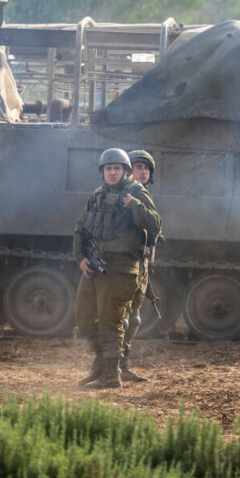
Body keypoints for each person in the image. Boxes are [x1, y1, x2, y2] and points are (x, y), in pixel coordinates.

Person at [74, 148, 162, 389]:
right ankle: (102, 364)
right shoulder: (97, 194)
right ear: (102, 172)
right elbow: (81, 228)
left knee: (113, 321)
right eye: (108, 169)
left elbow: (156, 223)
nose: (112, 172)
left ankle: (112, 375)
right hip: (95, 265)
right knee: (84, 317)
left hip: (122, 266)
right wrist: (80, 256)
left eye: (117, 168)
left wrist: (134, 206)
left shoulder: (136, 192)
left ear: (124, 171)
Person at [119, 149, 159, 383]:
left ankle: (123, 365)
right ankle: (110, 366)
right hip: (125, 264)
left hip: (140, 263)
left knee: (134, 319)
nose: (142, 172)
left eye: (146, 168)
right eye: (138, 167)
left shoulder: (142, 195)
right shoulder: (124, 195)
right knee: (122, 318)